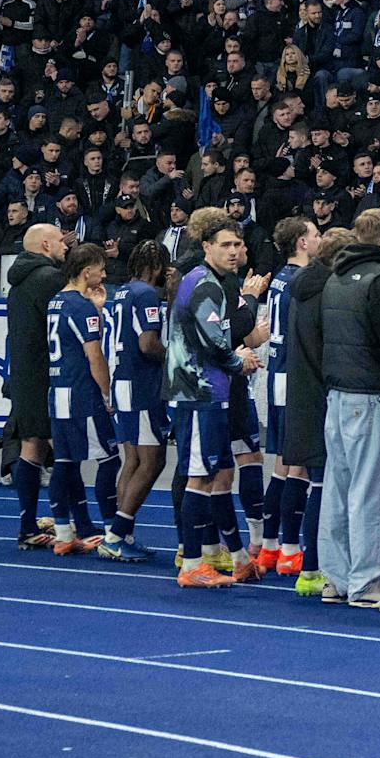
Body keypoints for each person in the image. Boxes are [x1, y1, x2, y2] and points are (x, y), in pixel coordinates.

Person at [167, 211, 267, 589]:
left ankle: (239, 557)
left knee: (219, 471)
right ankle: (193, 562)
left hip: (212, 391)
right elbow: (213, 343)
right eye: (225, 244)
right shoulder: (205, 285)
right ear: (207, 246)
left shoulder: (214, 282)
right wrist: (239, 361)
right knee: (200, 475)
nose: (233, 251)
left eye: (238, 244)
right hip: (198, 391)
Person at [318, 207, 380, 608]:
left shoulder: (334, 278)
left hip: (336, 393)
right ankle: (366, 580)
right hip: (368, 395)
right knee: (369, 490)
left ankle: (335, 578)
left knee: (337, 488)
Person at [99, 238, 172, 562]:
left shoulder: (123, 292)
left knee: (133, 460)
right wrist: (174, 358)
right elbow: (147, 343)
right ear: (156, 266)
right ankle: (117, 534)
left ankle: (120, 533)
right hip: (141, 385)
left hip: (123, 380)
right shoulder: (146, 295)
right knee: (153, 460)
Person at [283, 226, 346, 596]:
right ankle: (313, 567)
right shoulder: (327, 293)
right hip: (323, 395)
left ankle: (299, 557)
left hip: (301, 392)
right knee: (323, 486)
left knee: (310, 480)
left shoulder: (301, 288)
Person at [2, 222, 69, 550]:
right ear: (45, 245)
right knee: (65, 451)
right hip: (47, 374)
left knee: (33, 447)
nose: (65, 245)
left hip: (25, 374)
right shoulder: (50, 279)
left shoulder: (18, 281)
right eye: (60, 240)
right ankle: (70, 526)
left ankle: (28, 526)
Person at [256, 216, 318, 576]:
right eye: (315, 235)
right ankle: (291, 549)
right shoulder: (301, 280)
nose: (319, 240)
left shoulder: (280, 277)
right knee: (300, 465)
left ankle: (270, 546)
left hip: (278, 373)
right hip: (295, 376)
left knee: (282, 464)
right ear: (302, 242)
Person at [46, 243, 112, 554]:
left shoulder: (56, 301)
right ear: (87, 272)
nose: (104, 275)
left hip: (58, 391)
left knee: (65, 461)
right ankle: (113, 529)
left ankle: (65, 531)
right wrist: (107, 392)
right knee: (109, 458)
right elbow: (94, 355)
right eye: (101, 269)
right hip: (81, 393)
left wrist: (97, 309)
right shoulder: (79, 306)